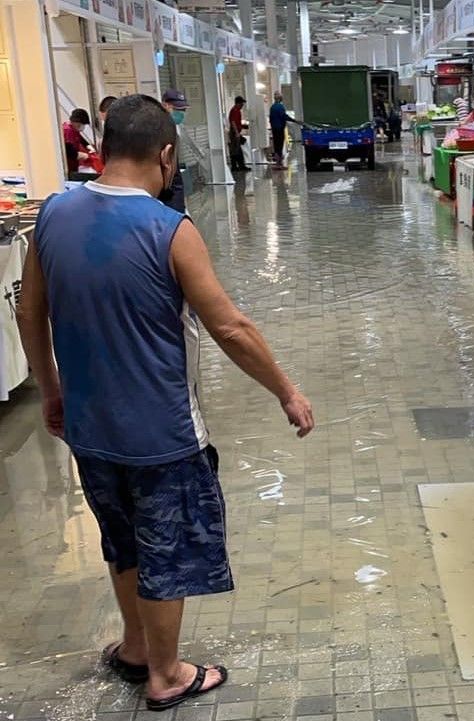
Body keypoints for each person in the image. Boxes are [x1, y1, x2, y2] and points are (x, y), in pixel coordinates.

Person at [15, 94, 315, 711]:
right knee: (166, 552)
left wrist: (51, 391)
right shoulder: (169, 229)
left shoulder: (53, 214)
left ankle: (135, 648)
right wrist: (287, 390)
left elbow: (29, 311)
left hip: (89, 428)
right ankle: (167, 674)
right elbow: (230, 327)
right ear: (167, 155)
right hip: (163, 435)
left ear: (103, 148)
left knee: (121, 541)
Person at [161, 89, 189, 212]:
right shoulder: (157, 131)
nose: (181, 113)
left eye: (184, 110)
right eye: (177, 109)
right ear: (165, 106)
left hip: (174, 191)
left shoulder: (174, 130)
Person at [62, 108, 93, 175]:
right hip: (69, 167)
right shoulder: (68, 131)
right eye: (82, 124)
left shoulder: (74, 129)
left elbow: (81, 140)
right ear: (76, 122)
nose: (83, 127)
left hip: (74, 165)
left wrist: (89, 147)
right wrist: (83, 155)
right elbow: (69, 150)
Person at [269, 92, 296, 167]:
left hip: (274, 128)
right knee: (280, 144)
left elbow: (271, 119)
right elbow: (284, 116)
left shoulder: (272, 107)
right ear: (280, 99)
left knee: (276, 144)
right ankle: (279, 161)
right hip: (280, 128)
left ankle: (278, 160)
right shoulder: (280, 107)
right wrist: (293, 120)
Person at [228, 96, 249, 172]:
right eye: (242, 103)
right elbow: (233, 122)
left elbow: (237, 123)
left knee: (237, 150)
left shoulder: (238, 111)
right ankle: (236, 166)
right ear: (238, 103)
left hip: (236, 132)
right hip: (234, 133)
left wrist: (244, 126)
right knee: (235, 150)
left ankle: (239, 166)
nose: (242, 105)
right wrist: (237, 133)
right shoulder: (234, 110)